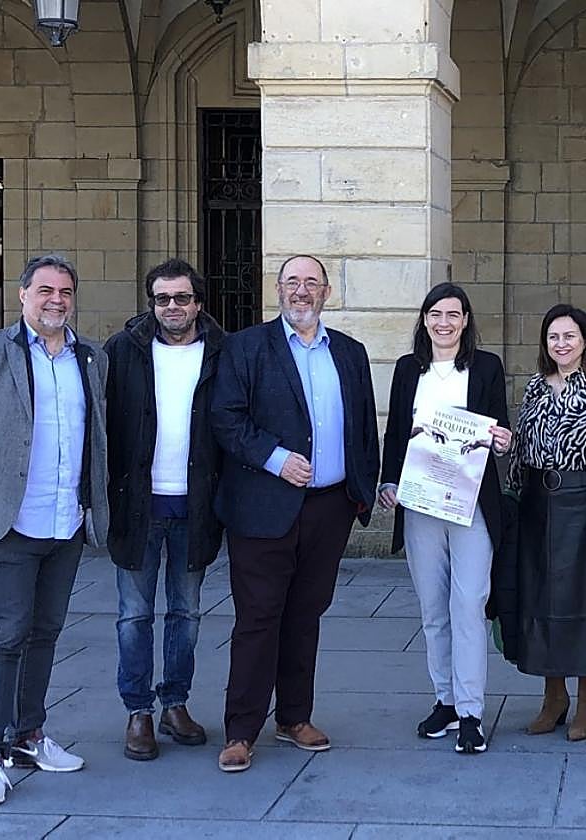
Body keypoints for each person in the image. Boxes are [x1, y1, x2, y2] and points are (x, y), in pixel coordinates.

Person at [0, 254, 108, 806]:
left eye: (65, 290)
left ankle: (29, 735)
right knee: (5, 636)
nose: (55, 300)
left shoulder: (90, 359)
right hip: (14, 523)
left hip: (67, 522)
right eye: (44, 290)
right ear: (22, 295)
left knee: (46, 633)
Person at [211, 254, 379, 772]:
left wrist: (360, 494)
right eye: (291, 283)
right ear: (277, 290)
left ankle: (294, 717)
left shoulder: (349, 352)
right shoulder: (245, 347)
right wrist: (277, 459)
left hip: (329, 509)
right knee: (259, 619)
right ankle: (241, 729)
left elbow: (363, 427)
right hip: (263, 508)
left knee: (306, 615)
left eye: (311, 283)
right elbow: (226, 417)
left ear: (326, 292)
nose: (301, 291)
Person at [376, 283, 512, 755]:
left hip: (472, 502)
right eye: (436, 314)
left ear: (466, 321)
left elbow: (500, 426)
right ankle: (446, 701)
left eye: (454, 315)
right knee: (434, 609)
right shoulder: (408, 369)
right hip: (420, 502)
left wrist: (502, 440)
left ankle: (472, 711)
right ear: (425, 320)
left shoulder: (486, 366)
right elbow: (395, 431)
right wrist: (387, 481)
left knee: (469, 605)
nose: (445, 323)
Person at [104, 259, 225, 760]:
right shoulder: (123, 351)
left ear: (198, 302)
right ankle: (139, 711)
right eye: (161, 299)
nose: (171, 307)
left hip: (196, 506)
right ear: (151, 304)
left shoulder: (223, 352)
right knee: (134, 615)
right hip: (137, 507)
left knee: (187, 612)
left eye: (181, 298)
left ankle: (175, 701)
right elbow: (102, 424)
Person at [507, 304, 586, 742]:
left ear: (585, 340)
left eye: (569, 336)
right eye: (553, 337)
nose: (561, 344)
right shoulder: (534, 387)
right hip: (537, 504)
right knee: (542, 600)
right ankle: (553, 694)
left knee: (584, 600)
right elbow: (520, 445)